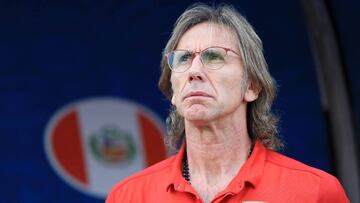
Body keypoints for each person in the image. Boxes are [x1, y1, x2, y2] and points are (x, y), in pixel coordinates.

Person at [106, 3, 349, 203]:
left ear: (252, 86)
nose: (194, 71)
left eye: (214, 56)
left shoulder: (316, 191)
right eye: (183, 59)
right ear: (172, 90)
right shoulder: (128, 196)